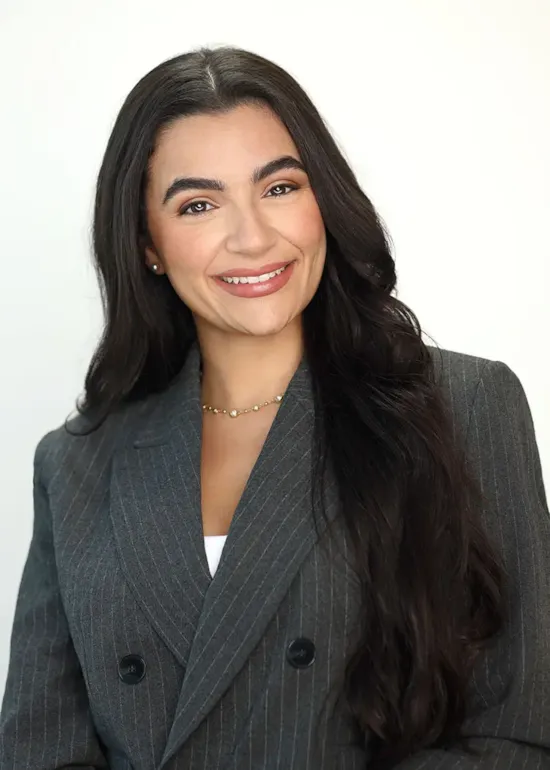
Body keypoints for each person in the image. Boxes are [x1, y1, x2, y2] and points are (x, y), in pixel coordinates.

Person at [1, 45, 549, 770]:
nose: (253, 236)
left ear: (325, 197)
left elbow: (517, 729)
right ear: (148, 245)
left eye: (280, 188)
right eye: (198, 204)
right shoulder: (75, 464)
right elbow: (38, 750)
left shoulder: (470, 407)